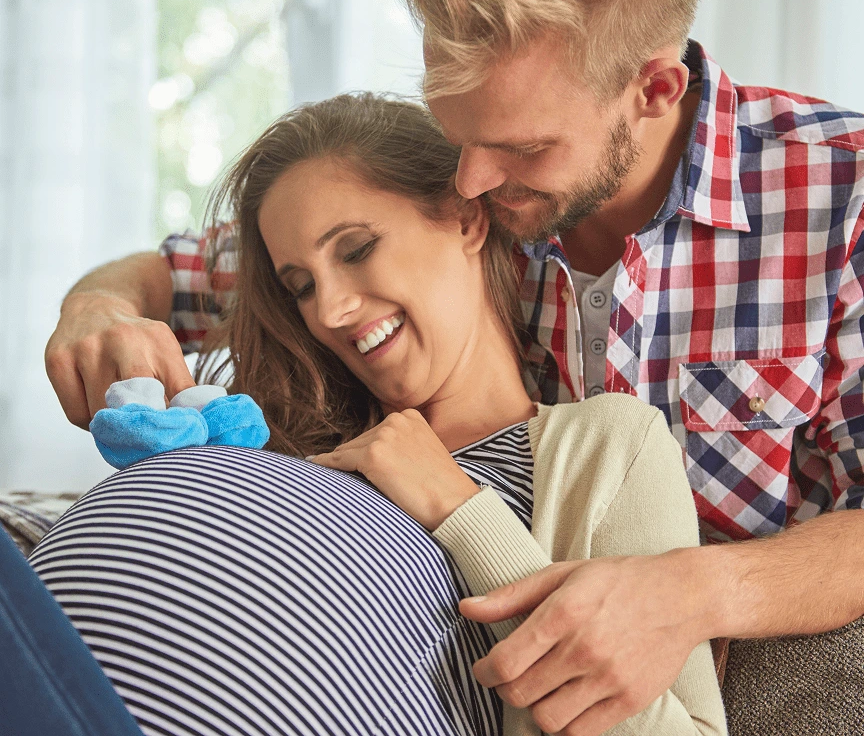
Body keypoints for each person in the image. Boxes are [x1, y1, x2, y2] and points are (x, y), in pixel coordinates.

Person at [43, 0, 864, 733]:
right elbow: (190, 271)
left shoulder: (838, 195)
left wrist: (693, 591)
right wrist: (96, 309)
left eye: (518, 146)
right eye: (455, 129)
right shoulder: (467, 193)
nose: (469, 177)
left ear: (653, 88)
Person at [19, 94, 725, 736]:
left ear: (467, 218)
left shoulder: (611, 444)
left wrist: (460, 507)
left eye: (356, 250)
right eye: (301, 287)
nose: (329, 311)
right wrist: (95, 311)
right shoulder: (301, 437)